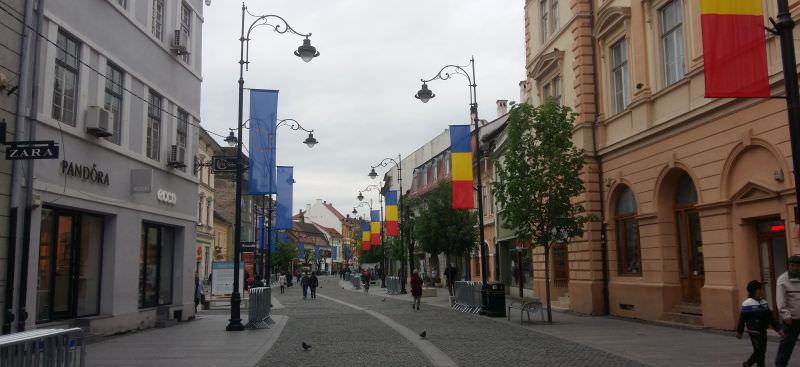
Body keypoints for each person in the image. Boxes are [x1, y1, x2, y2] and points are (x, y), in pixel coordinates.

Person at [737, 280, 782, 367]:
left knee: (761, 350)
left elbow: (770, 318)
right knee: (760, 352)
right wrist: (740, 331)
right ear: (756, 291)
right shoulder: (747, 304)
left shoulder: (764, 302)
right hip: (754, 332)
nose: (763, 291)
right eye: (761, 289)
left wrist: (778, 329)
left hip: (763, 330)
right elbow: (742, 319)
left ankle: (748, 363)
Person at [776, 255, 800, 367]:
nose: (794, 268)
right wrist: (786, 315)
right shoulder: (782, 280)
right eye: (792, 265)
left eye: (797, 266)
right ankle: (780, 364)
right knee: (786, 345)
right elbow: (781, 301)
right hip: (791, 320)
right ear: (789, 266)